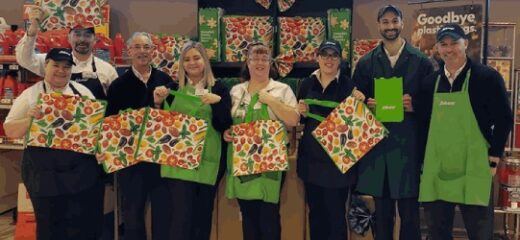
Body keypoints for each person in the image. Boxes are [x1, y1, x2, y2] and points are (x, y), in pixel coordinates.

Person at [417, 23, 513, 240]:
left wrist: (494, 157)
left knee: (479, 233)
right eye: (444, 44)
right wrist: (422, 160)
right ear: (437, 48)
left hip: (474, 166)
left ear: (466, 44)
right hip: (438, 167)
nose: (449, 49)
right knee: (437, 233)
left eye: (454, 43)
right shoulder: (429, 83)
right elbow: (422, 124)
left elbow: (504, 118)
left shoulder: (486, 78)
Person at [3, 48, 104, 239]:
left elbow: (95, 129)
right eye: (55, 65)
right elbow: (10, 130)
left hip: (79, 171)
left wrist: (99, 148)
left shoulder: (83, 92)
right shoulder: (30, 95)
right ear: (45, 66)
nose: (61, 70)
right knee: (49, 225)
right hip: (43, 172)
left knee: (81, 224)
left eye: (66, 67)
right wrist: (30, 120)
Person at [352, 5, 434, 239]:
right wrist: (366, 103)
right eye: (385, 22)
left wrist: (415, 105)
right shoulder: (366, 63)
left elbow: (433, 102)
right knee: (383, 214)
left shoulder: (422, 62)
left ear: (402, 23)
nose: (390, 27)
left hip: (408, 149)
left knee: (410, 215)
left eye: (394, 21)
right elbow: (356, 102)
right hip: (378, 150)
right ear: (379, 25)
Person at [153, 41, 232, 240]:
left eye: (196, 58)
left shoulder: (219, 88)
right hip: (179, 163)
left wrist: (218, 103)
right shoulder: (171, 89)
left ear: (205, 60)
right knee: (181, 217)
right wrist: (156, 102)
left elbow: (224, 125)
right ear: (181, 64)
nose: (192, 63)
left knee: (203, 216)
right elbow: (158, 125)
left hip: (208, 162)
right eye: (187, 59)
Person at [223, 42, 299, 240]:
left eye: (264, 58)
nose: (259, 62)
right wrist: (227, 133)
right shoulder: (236, 91)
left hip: (270, 164)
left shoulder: (282, 89)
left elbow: (293, 119)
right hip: (242, 160)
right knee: (248, 215)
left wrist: (271, 100)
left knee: (268, 215)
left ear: (270, 63)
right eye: (254, 58)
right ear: (247, 63)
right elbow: (227, 122)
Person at [105, 32, 173, 240]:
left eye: (146, 47)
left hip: (160, 159)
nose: (142, 51)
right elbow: (110, 122)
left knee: (163, 213)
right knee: (132, 214)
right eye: (137, 47)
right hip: (130, 161)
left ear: (153, 51)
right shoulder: (118, 85)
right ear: (129, 51)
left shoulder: (165, 80)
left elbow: (175, 118)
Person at [296, 40, 365, 240]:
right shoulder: (306, 84)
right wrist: (301, 112)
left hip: (338, 164)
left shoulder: (348, 86)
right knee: (316, 215)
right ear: (317, 57)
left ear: (340, 60)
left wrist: (359, 101)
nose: (329, 59)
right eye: (324, 54)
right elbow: (300, 119)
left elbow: (355, 126)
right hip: (311, 161)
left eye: (334, 55)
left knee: (336, 216)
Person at [16, 6, 118, 100]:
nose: (82, 39)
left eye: (87, 35)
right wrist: (33, 28)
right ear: (69, 38)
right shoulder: (52, 62)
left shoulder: (107, 70)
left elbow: (116, 101)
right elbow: (24, 60)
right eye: (77, 35)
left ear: (95, 40)